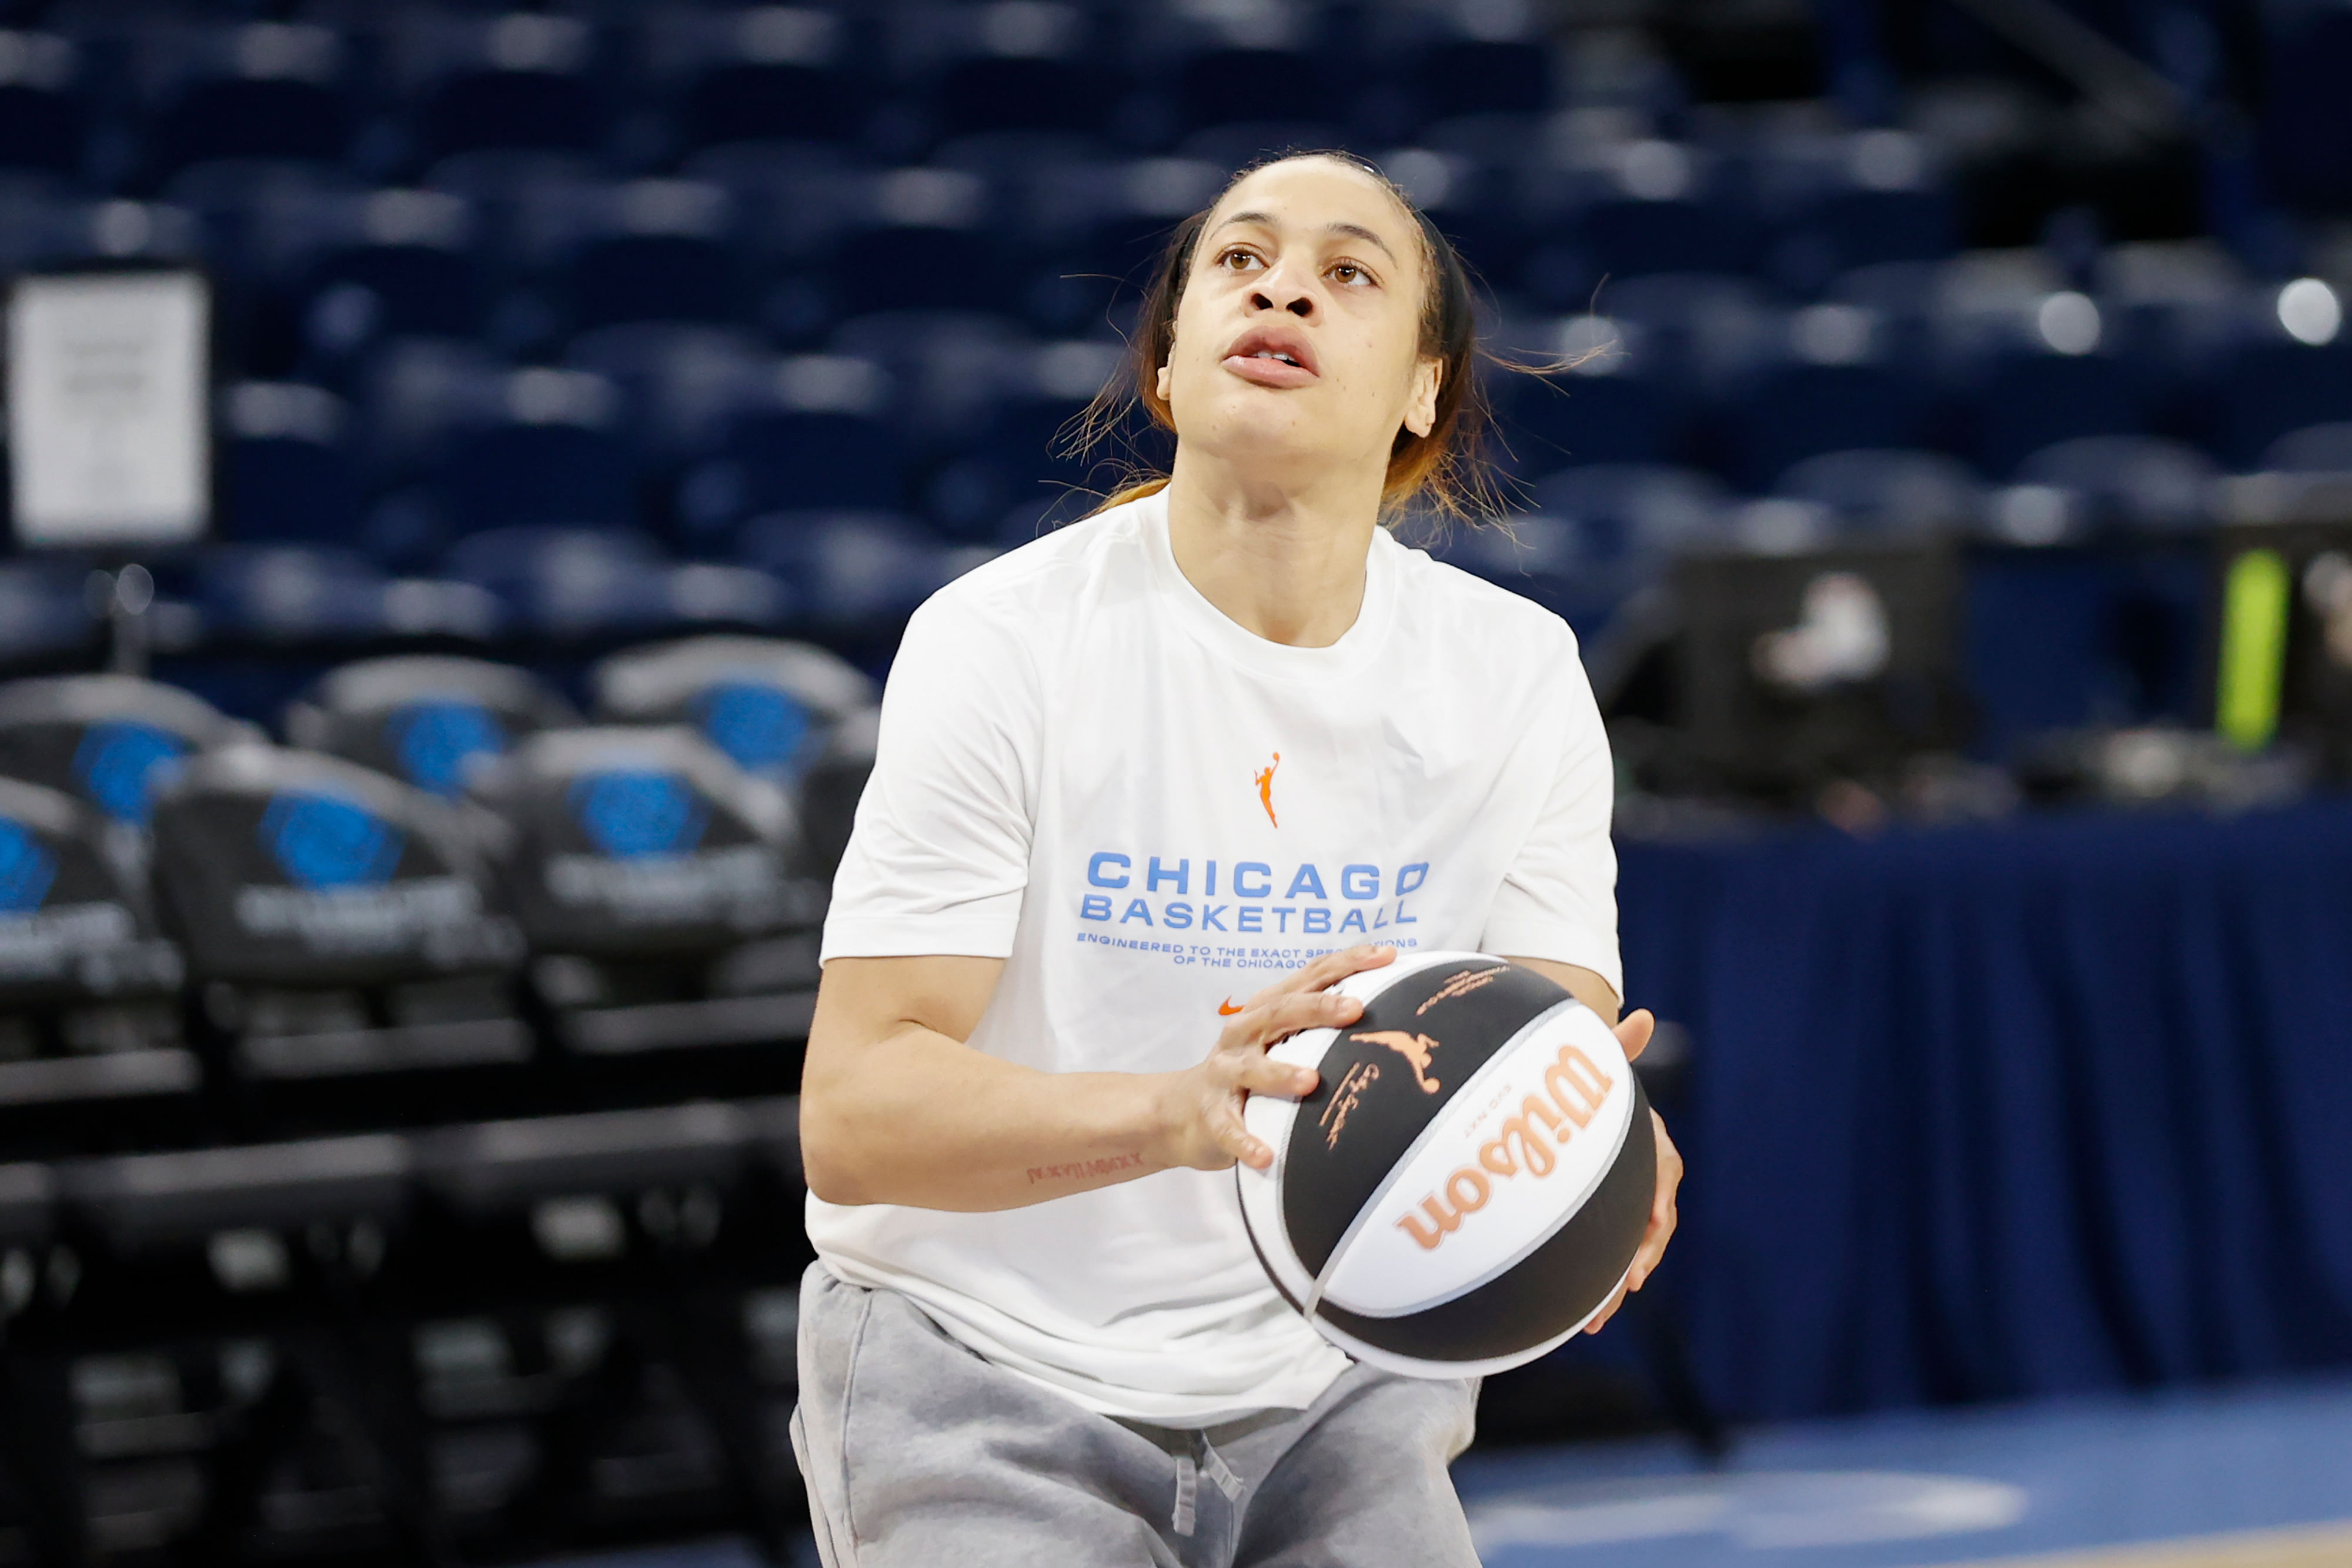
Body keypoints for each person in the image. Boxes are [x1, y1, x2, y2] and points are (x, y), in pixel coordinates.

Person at [793, 149, 1683, 1567]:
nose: (1281, 285)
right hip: (985, 1366)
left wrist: (1594, 1152)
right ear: (1164, 364)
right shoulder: (1002, 640)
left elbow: (1550, 1033)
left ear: (1422, 389)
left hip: (1338, 1387)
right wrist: (1172, 1112)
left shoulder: (1512, 671)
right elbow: (851, 1116)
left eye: (1348, 273)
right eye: (1239, 259)